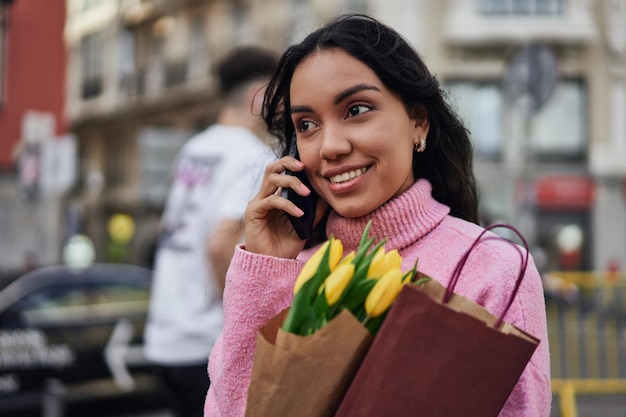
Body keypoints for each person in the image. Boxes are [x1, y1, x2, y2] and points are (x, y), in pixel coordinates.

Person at [204, 14, 551, 417]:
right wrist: (263, 268)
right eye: (307, 124)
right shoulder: (287, 270)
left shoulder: (491, 268)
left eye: (357, 109)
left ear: (418, 122)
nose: (329, 146)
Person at [143, 45, 278, 417]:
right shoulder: (252, 155)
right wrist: (242, 321)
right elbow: (220, 245)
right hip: (204, 340)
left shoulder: (193, 148)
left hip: (163, 337)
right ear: (257, 95)